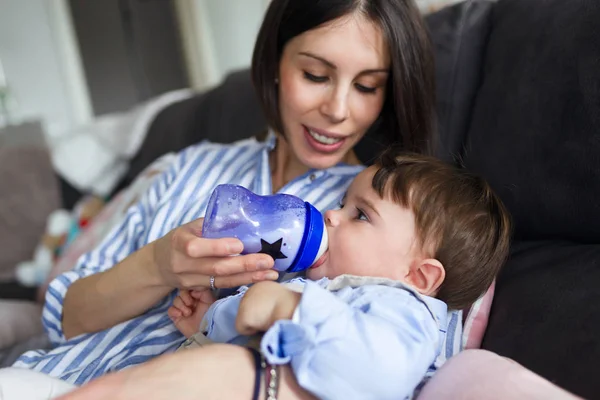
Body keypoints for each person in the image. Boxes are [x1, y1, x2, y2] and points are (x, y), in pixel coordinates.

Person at [5, 0, 456, 396]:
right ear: (276, 62)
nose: (338, 110)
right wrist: (159, 264)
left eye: (366, 86)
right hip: (44, 375)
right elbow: (64, 316)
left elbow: (399, 354)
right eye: (315, 75)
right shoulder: (191, 165)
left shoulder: (393, 222)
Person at [165, 151, 512, 400]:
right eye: (343, 202)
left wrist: (289, 308)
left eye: (360, 215)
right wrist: (210, 322)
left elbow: (380, 374)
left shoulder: (403, 310)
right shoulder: (328, 288)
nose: (331, 214)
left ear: (418, 277)